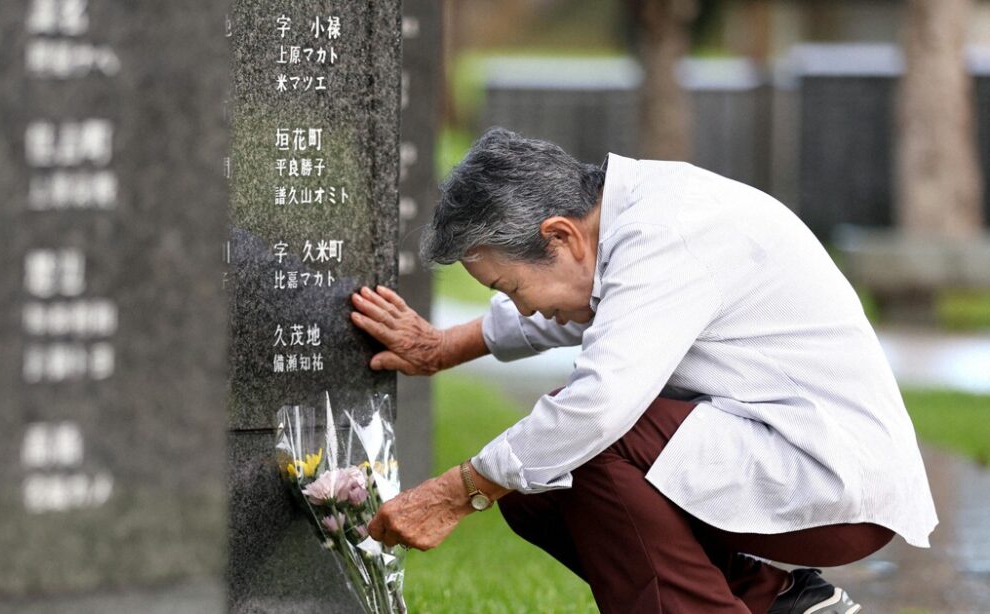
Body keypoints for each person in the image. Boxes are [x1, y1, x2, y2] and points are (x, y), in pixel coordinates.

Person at [350, 127, 937, 614]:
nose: (521, 305)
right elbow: (585, 307)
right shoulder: (626, 221)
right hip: (782, 459)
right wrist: (443, 346)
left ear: (559, 235)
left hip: (829, 481)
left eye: (510, 287)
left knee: (582, 443)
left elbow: (600, 404)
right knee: (534, 490)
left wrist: (456, 492)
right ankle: (781, 603)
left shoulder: (669, 233)